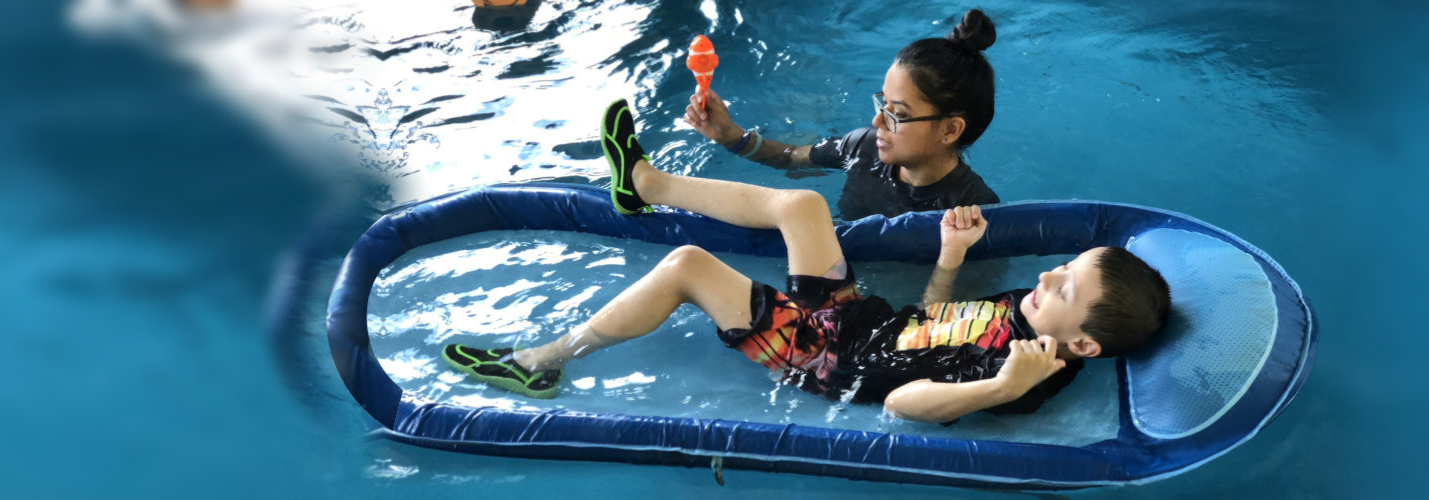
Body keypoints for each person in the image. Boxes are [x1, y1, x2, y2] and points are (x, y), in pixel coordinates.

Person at [441, 100, 1169, 423]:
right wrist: (949, 259)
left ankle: (546, 358)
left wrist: (1001, 390)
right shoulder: (1032, 312)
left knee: (691, 264)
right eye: (1061, 266)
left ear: (1083, 345)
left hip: (829, 361)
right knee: (805, 209)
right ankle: (646, 186)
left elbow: (899, 404)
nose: (1046, 276)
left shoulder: (1025, 371)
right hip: (860, 320)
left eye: (1064, 283)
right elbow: (937, 317)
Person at [682, 9, 1004, 220]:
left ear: (950, 130)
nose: (878, 121)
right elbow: (789, 157)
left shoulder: (973, 209)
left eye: (898, 114)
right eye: (883, 104)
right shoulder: (861, 147)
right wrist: (731, 136)